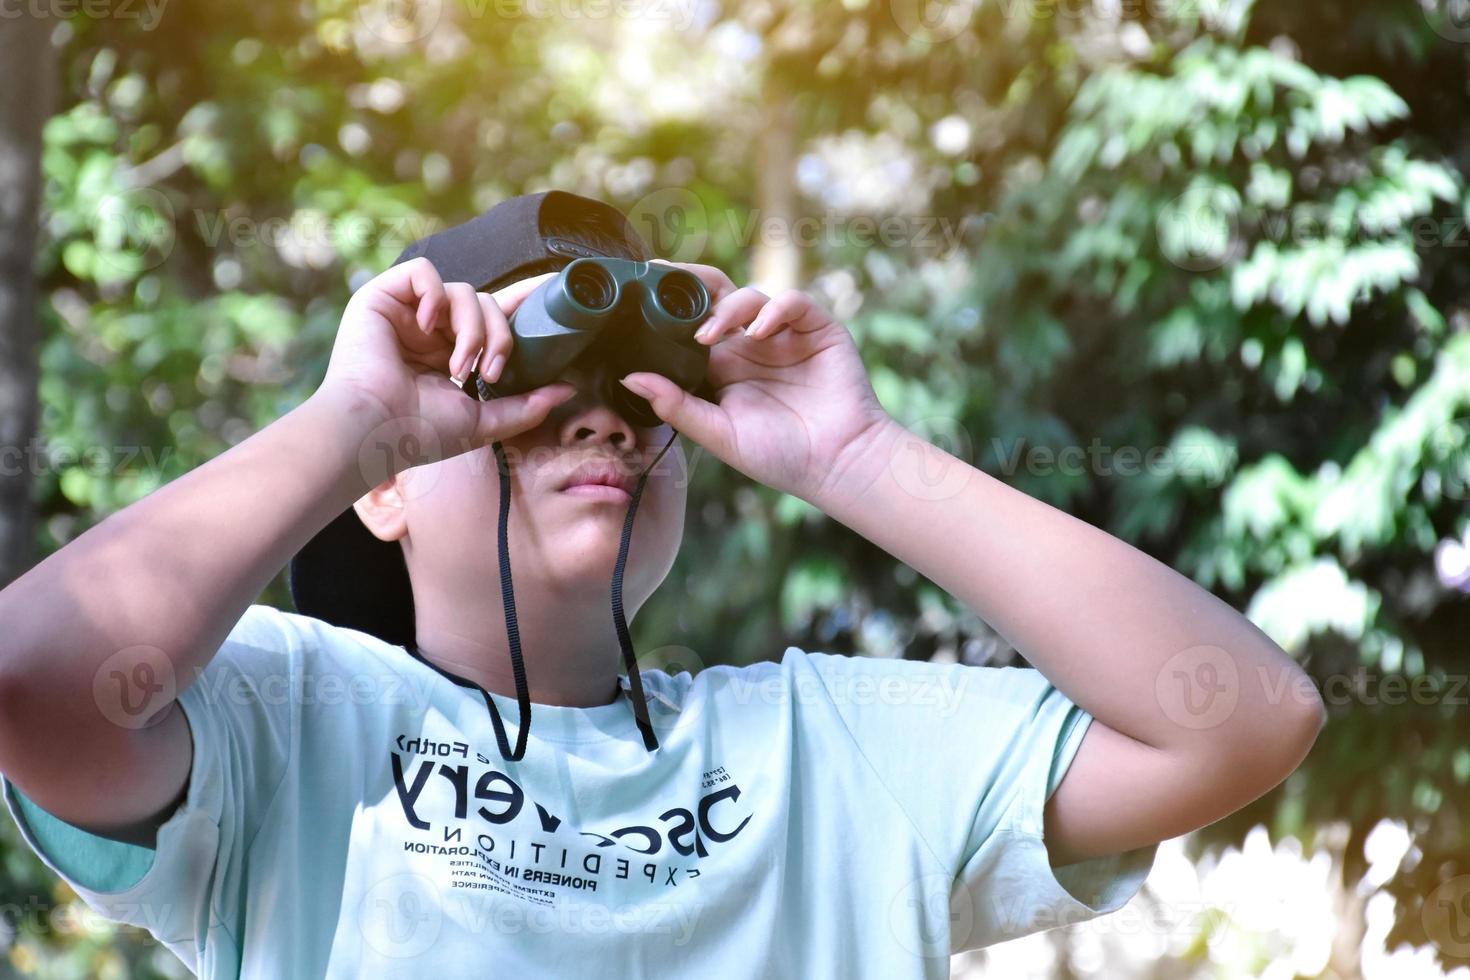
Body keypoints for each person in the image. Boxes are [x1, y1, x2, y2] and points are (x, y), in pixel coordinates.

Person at [0, 191, 1325, 978]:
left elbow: (1241, 715)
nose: (605, 425)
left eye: (646, 400)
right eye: (525, 391)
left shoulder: (836, 752)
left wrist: (857, 456)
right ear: (387, 484)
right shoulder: (288, 723)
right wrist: (352, 415)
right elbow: (31, 676)